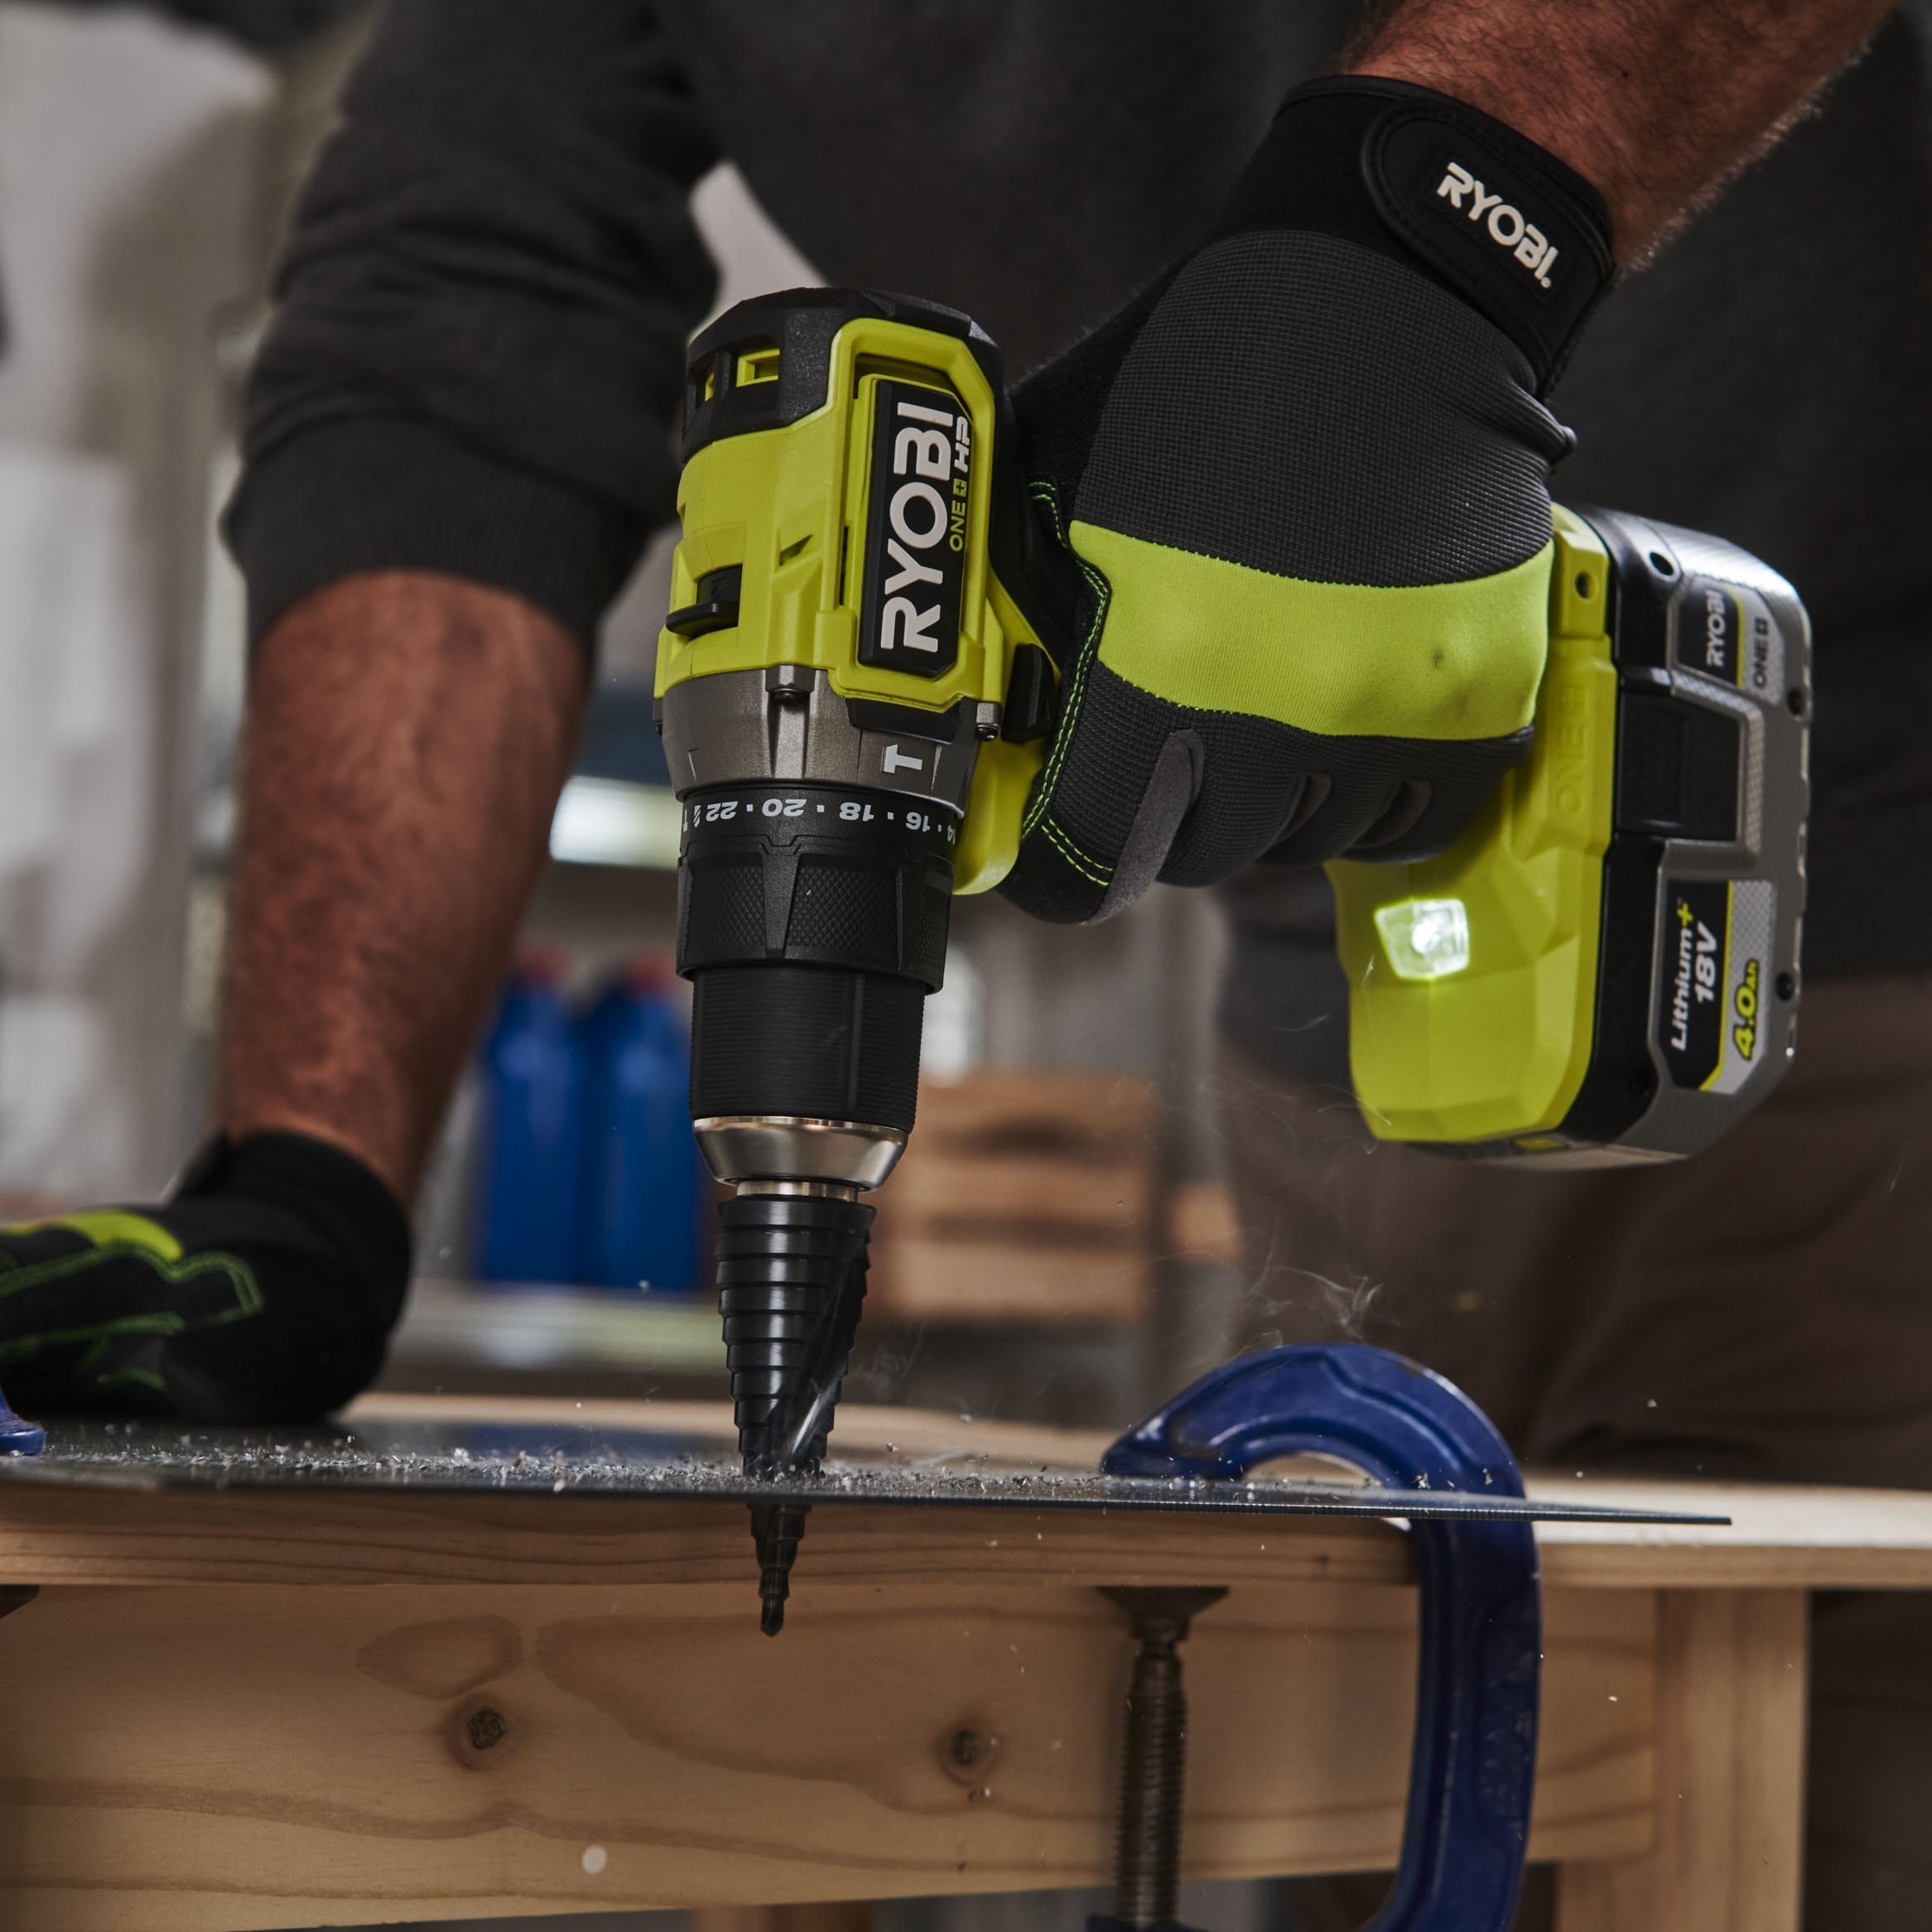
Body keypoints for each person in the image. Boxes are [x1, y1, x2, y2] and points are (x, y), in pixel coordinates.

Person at [1, 3, 1925, 1921]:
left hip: (1863, 873)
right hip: (1358, 985)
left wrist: (1433, 224)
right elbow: (452, 344)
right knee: (1398, 1798)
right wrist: (312, 1176)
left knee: (1815, 1815)